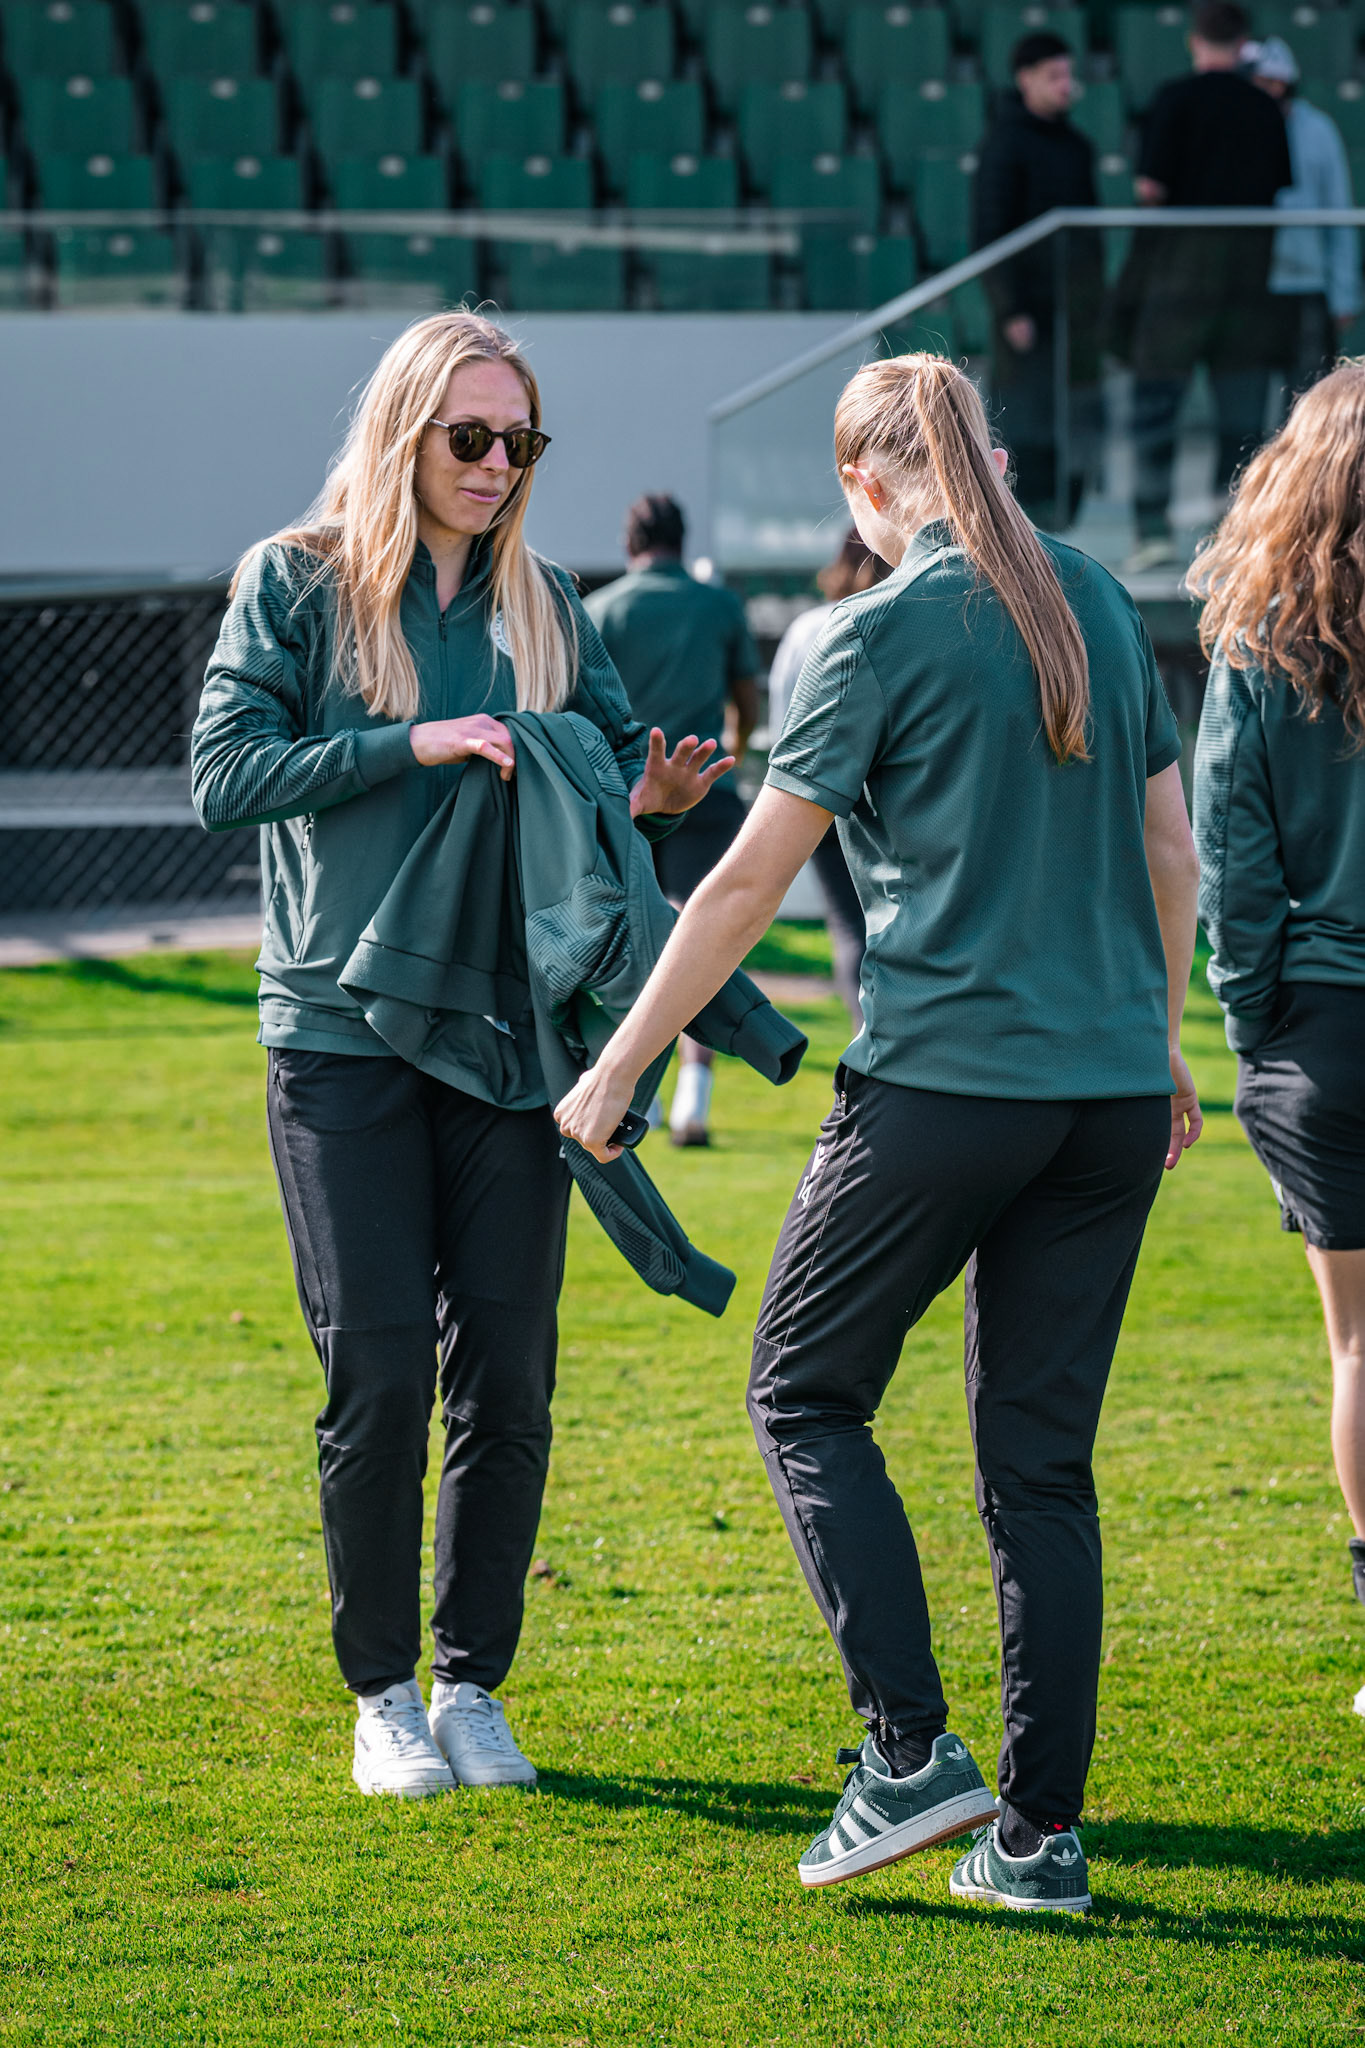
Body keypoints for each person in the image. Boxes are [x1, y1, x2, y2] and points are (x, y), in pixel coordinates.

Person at [557, 353, 1203, 1914]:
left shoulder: (864, 634)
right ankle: (1040, 1843)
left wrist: (617, 1069)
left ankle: (907, 1755)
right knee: (1042, 1470)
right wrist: (1163, 1042)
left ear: (865, 485)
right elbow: (1169, 850)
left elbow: (740, 883)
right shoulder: (1102, 599)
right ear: (984, 450)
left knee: (799, 1387)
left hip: (947, 1090)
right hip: (1112, 1097)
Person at [190, 312, 731, 1800]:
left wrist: (655, 796)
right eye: (473, 437)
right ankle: (379, 1696)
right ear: (406, 430)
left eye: (522, 442)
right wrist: (411, 744)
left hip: (508, 1038)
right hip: (337, 1032)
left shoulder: (551, 601)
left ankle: (472, 1684)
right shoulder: (292, 582)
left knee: (508, 1371)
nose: (499, 466)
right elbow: (223, 775)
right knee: (373, 1368)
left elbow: (604, 798)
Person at [1189, 364, 1365, 1715]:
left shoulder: (1254, 640)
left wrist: (1252, 1032)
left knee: (1359, 1351)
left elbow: (1231, 865)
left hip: (1318, 1036)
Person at [586, 495, 760, 1146]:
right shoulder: (719, 606)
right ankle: (694, 1095)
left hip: (622, 794)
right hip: (703, 786)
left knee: (629, 940)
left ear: (630, 542)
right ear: (681, 541)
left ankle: (639, 1089)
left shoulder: (601, 610)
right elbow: (746, 695)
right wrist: (734, 750)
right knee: (698, 934)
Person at [1125, 0, 1292, 573]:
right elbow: (1274, 194)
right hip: (1246, 284)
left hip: (1177, 280)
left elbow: (1150, 188)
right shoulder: (1265, 109)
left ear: (1196, 42)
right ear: (1244, 45)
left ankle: (1153, 533)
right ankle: (1234, 538)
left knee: (1156, 410)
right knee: (1241, 421)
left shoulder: (1174, 99)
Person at [973, 31, 1104, 528]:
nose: (1066, 85)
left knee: (1076, 419)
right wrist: (1011, 309)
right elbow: (991, 232)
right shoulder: (1003, 144)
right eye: (1054, 75)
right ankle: (1024, 531)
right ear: (1025, 79)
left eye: (1069, 74)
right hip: (1029, 316)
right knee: (1025, 419)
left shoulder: (1076, 146)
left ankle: (1066, 529)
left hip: (1076, 313)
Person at [766, 529, 888, 1025]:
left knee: (846, 925)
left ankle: (866, 1035)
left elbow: (781, 715)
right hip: (880, 800)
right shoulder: (889, 622)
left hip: (814, 797)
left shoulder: (804, 629)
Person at [1246, 36, 1361, 394]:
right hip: (1252, 286)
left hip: (1306, 286)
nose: (1271, 90)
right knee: (1248, 401)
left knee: (1306, 400)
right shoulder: (1237, 127)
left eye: (1276, 83)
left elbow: (1338, 213)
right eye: (1263, 82)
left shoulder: (1318, 130)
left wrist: (1343, 294)